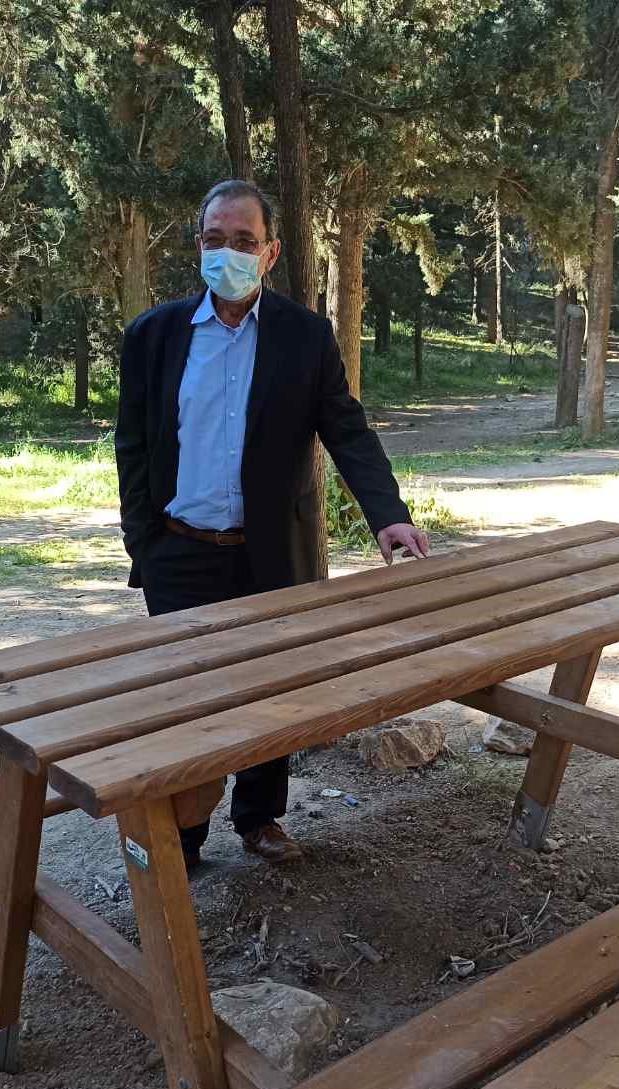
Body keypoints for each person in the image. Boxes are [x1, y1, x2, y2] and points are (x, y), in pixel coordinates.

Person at [114, 179, 431, 867]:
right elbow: (132, 444)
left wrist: (389, 517)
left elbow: (346, 429)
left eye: (243, 241)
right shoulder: (153, 336)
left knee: (272, 690)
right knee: (189, 701)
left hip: (271, 551)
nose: (228, 253)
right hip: (180, 553)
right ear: (198, 245)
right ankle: (184, 834)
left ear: (271, 251)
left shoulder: (304, 337)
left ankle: (259, 816)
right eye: (214, 239)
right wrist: (143, 538)